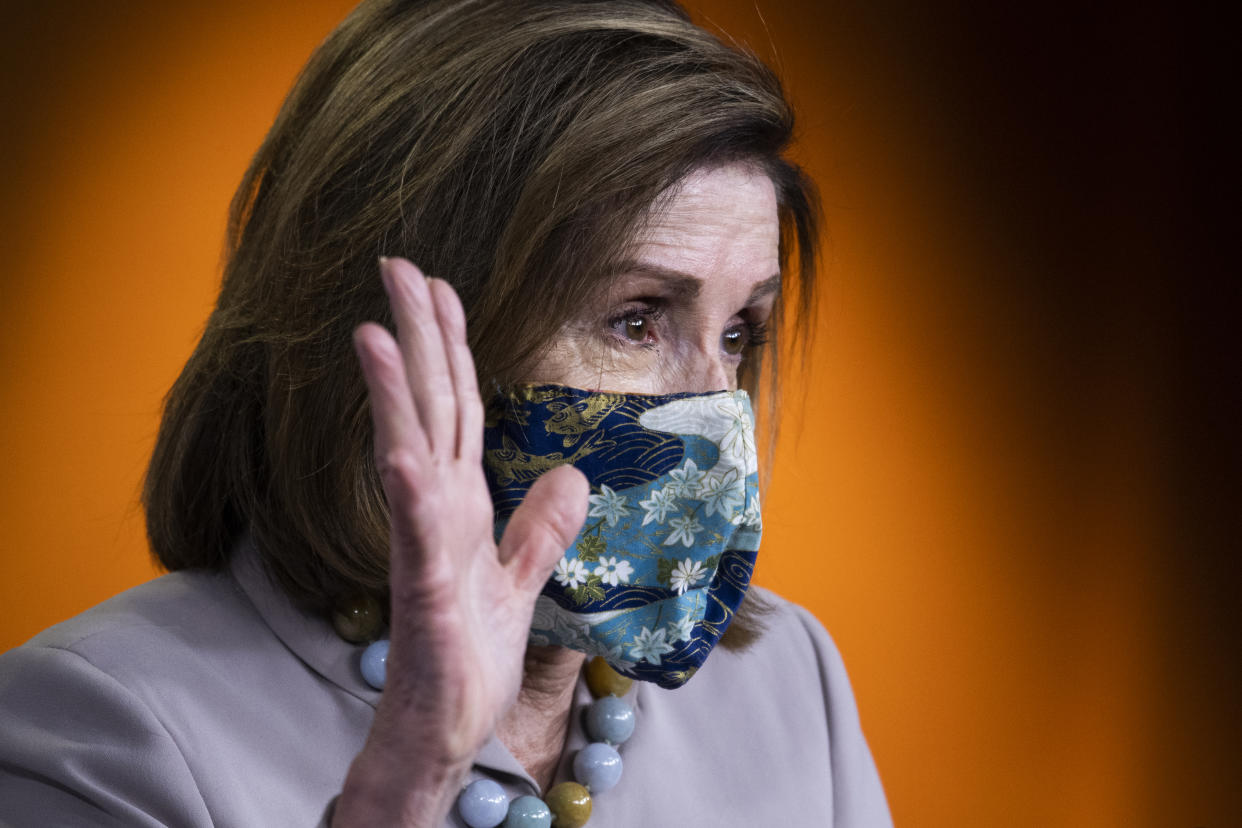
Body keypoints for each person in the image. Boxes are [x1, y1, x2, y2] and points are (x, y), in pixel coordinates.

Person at [0, 1, 891, 825]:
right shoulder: (97, 727)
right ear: (402, 323)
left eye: (740, 332)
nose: (712, 409)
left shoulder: (788, 684)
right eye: (636, 320)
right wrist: (409, 780)